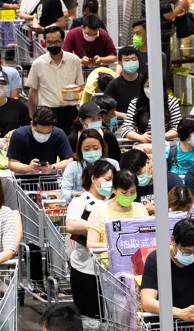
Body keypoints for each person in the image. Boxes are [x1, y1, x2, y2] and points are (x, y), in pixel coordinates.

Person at [139, 216, 194, 323]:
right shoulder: (156, 259)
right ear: (173, 241)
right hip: (159, 325)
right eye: (186, 251)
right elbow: (147, 301)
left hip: (193, 324)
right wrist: (180, 313)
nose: (191, 256)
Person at [64, 157, 114, 320]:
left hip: (111, 269)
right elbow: (70, 226)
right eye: (107, 179)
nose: (110, 184)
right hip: (85, 268)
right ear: (93, 178)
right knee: (89, 318)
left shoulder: (114, 202)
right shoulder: (81, 201)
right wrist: (96, 225)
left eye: (113, 180)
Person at [27, 25, 84, 134]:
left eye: (57, 42)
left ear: (63, 42)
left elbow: (80, 87)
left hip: (70, 111)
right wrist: (33, 115)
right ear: (44, 43)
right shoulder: (38, 64)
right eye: (50, 42)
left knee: (71, 143)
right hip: (47, 112)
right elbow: (33, 92)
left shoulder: (74, 60)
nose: (53, 45)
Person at [7, 106, 74, 175]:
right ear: (32, 124)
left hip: (49, 181)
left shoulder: (59, 134)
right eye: (39, 132)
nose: (43, 136)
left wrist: (52, 167)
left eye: (48, 133)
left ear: (53, 127)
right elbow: (12, 163)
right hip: (24, 179)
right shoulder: (19, 135)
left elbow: (69, 160)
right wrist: (28, 168)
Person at [59, 125, 116, 199]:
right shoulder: (72, 167)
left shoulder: (113, 164)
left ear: (102, 147)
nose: (91, 151)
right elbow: (64, 193)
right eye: (86, 149)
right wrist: (83, 195)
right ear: (80, 149)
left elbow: (119, 188)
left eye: (95, 148)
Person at [96, 170, 148, 248]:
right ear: (114, 189)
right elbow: (91, 243)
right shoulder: (100, 210)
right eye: (124, 192)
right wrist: (116, 246)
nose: (129, 195)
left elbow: (148, 236)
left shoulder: (140, 209)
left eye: (133, 192)